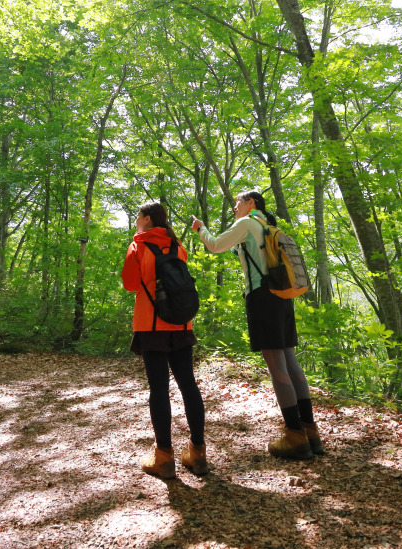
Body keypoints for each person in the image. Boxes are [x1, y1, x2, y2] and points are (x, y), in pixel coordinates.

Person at [191, 191, 323, 460]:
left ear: (251, 203)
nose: (235, 207)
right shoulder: (269, 226)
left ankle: (295, 436)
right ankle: (311, 433)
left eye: (238, 202)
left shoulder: (247, 224)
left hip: (262, 297)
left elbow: (215, 245)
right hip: (282, 297)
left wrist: (200, 228)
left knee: (277, 367)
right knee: (291, 363)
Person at [122, 201, 208, 479]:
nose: (136, 220)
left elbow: (130, 284)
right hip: (182, 324)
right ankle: (197, 453)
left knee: (159, 389)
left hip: (151, 325)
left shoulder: (138, 245)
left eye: (138, 216)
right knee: (188, 385)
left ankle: (164, 457)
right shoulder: (177, 246)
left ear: (147, 219)